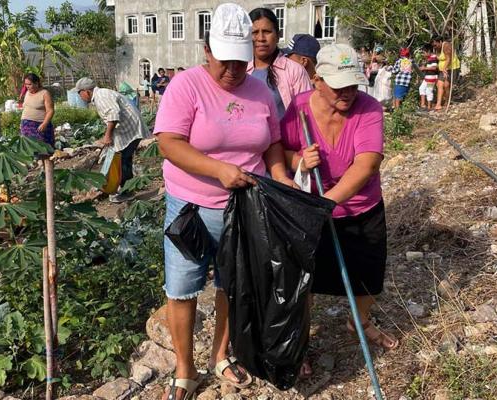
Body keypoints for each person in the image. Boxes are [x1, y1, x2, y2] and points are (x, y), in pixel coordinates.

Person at [153, 3, 293, 399]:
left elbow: (273, 144)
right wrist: (218, 170)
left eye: (240, 62)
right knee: (182, 285)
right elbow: (169, 143)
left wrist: (281, 177)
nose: (232, 70)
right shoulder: (187, 86)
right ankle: (185, 368)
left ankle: (220, 355)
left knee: (233, 285)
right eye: (225, 61)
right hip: (192, 208)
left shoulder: (261, 90)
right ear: (207, 51)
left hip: (246, 208)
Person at [281, 44, 398, 371]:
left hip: (361, 207)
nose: (347, 92)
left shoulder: (369, 108)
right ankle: (300, 342)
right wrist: (296, 163)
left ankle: (359, 321)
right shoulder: (300, 108)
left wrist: (328, 202)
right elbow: (276, 150)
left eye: (352, 84)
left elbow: (367, 163)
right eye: (338, 85)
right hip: (311, 212)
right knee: (307, 283)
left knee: (369, 277)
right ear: (317, 80)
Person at [75, 77, 150, 203]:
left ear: (86, 91)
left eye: (80, 94)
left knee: (123, 161)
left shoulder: (101, 96)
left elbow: (113, 115)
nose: (80, 97)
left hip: (129, 130)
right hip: (126, 130)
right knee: (122, 160)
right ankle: (118, 188)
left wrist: (108, 135)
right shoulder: (101, 95)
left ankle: (127, 192)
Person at [247, 8, 311, 119]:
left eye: (267, 32)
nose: (261, 38)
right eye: (255, 32)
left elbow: (307, 114)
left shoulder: (295, 71)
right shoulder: (240, 70)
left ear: (278, 35)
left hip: (285, 136)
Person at [20, 73, 55, 148]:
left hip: (39, 125)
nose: (27, 86)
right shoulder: (27, 92)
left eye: (29, 84)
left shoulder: (44, 93)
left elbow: (50, 110)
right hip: (26, 125)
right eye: (26, 84)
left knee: (42, 148)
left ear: (36, 83)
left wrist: (44, 124)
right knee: (29, 148)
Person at [432, 35, 461, 110]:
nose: (434, 46)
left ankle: (447, 101)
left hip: (452, 68)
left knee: (446, 85)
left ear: (440, 42)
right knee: (439, 84)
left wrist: (445, 68)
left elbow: (449, 59)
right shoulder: (437, 48)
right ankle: (438, 104)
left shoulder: (446, 46)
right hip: (442, 69)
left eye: (435, 44)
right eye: (433, 45)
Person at [419, 45, 439, 110]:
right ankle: (423, 105)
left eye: (424, 52)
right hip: (427, 77)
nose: (423, 54)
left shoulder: (433, 57)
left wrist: (424, 68)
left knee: (429, 91)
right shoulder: (429, 58)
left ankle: (429, 106)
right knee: (421, 88)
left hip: (431, 77)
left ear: (429, 51)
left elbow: (434, 68)